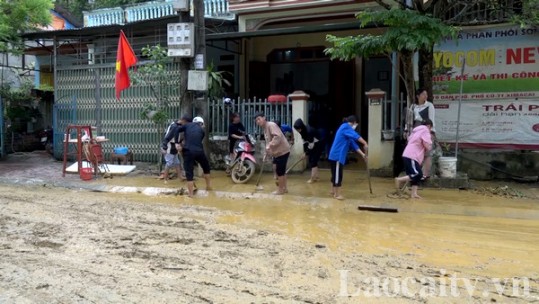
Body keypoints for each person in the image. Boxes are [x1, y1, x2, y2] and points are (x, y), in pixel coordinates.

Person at [162, 115, 211, 198]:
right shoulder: (202, 131)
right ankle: (209, 187)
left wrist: (177, 143)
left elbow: (177, 130)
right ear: (201, 124)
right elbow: (197, 140)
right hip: (199, 151)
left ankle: (191, 194)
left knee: (189, 173)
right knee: (206, 169)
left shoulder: (187, 125)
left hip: (188, 151)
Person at [328, 115, 368, 200]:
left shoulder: (347, 133)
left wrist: (363, 155)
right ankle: (337, 194)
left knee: (335, 174)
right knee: (338, 175)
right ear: (354, 123)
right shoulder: (345, 127)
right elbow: (356, 136)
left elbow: (355, 145)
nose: (355, 127)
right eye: (356, 124)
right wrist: (365, 143)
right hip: (337, 156)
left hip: (336, 156)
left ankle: (332, 191)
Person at [395, 119, 433, 199]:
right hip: (412, 156)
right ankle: (399, 180)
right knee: (418, 174)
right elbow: (427, 145)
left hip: (408, 155)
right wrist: (430, 146)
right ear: (429, 126)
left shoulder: (415, 131)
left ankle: (413, 193)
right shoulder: (425, 130)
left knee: (415, 176)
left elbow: (409, 140)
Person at [255, 113, 291, 195]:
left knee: (280, 171)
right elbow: (268, 142)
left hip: (282, 151)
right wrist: (266, 152)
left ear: (264, 118)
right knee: (282, 171)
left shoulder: (271, 125)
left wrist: (270, 145)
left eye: (259, 119)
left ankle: (280, 190)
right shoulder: (265, 128)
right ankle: (284, 188)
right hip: (278, 152)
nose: (258, 121)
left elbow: (277, 137)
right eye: (256, 120)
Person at [405, 88, 436, 179]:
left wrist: (431, 132)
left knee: (427, 153)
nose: (425, 96)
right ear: (418, 96)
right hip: (415, 131)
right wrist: (406, 130)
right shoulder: (413, 106)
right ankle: (415, 172)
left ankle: (425, 174)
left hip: (426, 130)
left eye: (426, 94)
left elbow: (432, 119)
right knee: (415, 152)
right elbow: (409, 120)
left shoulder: (429, 106)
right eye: (423, 94)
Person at [293, 118, 325, 183]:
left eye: (298, 129)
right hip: (313, 143)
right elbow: (305, 142)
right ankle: (317, 177)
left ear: (301, 127)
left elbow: (311, 145)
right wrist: (305, 152)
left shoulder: (309, 131)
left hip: (319, 143)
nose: (298, 131)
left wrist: (306, 153)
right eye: (297, 129)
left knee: (313, 160)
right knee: (312, 160)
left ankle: (312, 179)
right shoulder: (302, 131)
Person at [160, 117, 188, 183]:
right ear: (182, 121)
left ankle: (180, 177)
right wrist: (164, 147)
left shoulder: (176, 125)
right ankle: (165, 179)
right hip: (169, 146)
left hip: (174, 146)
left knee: (177, 162)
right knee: (169, 163)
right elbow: (167, 138)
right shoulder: (174, 127)